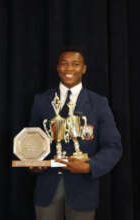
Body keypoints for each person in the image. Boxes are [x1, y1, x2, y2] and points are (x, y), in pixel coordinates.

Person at [29, 46, 122, 220]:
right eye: (64, 64)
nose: (69, 69)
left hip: (83, 191)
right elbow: (32, 140)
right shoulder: (41, 101)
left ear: (84, 68)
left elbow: (113, 147)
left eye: (75, 64)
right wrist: (33, 160)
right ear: (58, 67)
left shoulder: (98, 103)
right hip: (47, 189)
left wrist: (90, 166)